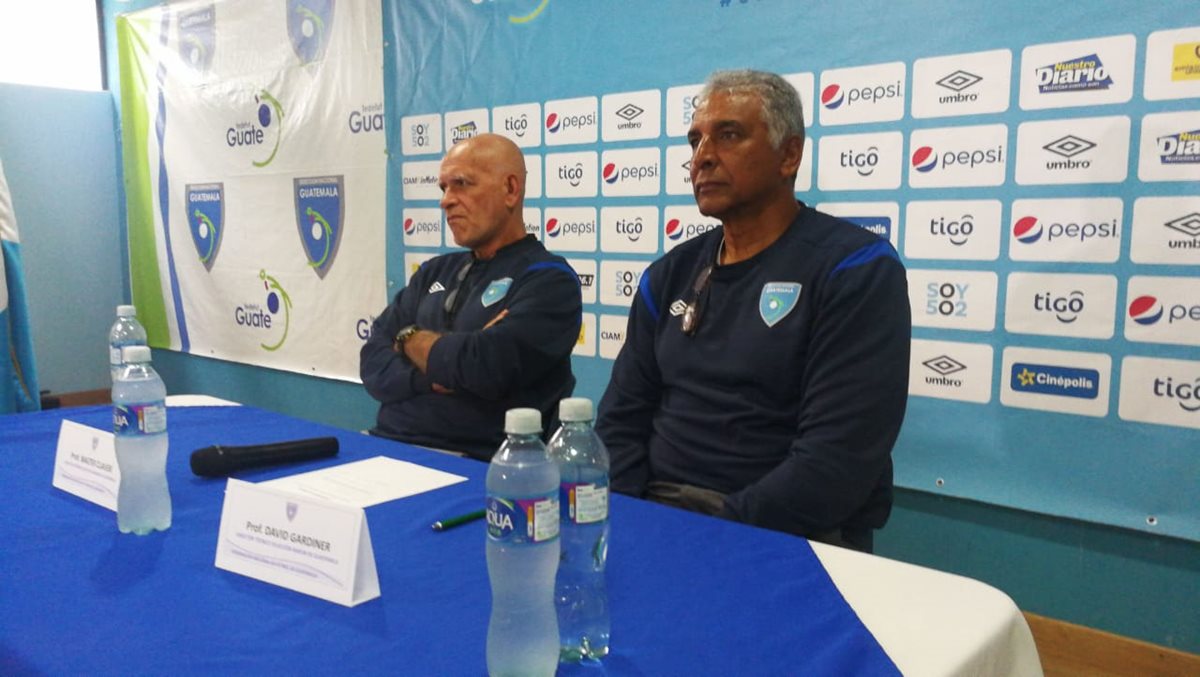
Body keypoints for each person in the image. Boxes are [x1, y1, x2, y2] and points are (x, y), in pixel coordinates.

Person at [596, 70, 910, 552]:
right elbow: (620, 419)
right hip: (657, 515)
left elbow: (836, 462)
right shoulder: (669, 274)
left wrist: (712, 536)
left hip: (784, 537)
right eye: (696, 140)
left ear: (789, 155)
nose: (702, 158)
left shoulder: (855, 268)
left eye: (729, 135)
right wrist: (635, 519)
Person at [361, 133, 581, 460]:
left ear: (510, 189)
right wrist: (434, 367)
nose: (445, 200)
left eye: (461, 184)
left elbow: (482, 366)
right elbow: (373, 362)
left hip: (480, 466)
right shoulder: (433, 272)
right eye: (443, 187)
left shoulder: (550, 280)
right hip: (384, 446)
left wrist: (406, 340)